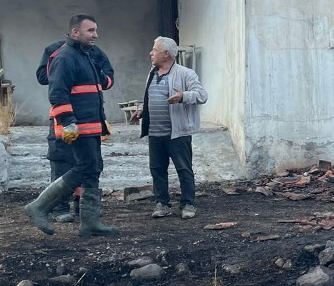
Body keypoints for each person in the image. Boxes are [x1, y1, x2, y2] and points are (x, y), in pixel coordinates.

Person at [24, 14, 117, 237]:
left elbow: (100, 85)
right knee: (85, 168)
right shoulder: (65, 57)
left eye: (95, 30)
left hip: (91, 126)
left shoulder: (86, 56)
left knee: (93, 168)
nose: (96, 35)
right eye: (90, 30)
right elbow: (57, 93)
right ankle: (39, 206)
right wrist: (68, 123)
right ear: (76, 32)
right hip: (78, 127)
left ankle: (90, 223)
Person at [136, 36, 207, 219]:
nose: (151, 53)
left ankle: (188, 204)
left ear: (166, 54)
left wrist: (183, 96)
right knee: (157, 169)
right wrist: (143, 109)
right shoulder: (152, 73)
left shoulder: (185, 73)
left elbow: (202, 95)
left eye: (155, 49)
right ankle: (162, 203)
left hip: (177, 133)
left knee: (184, 169)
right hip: (155, 132)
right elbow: (151, 96)